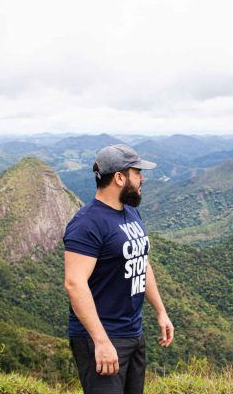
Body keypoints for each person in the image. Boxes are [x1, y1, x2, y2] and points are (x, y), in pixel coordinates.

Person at [63, 144, 174, 394]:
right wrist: (101, 341)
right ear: (119, 178)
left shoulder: (132, 213)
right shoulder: (87, 223)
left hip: (133, 333)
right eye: (137, 173)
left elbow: (142, 263)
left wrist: (160, 312)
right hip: (102, 337)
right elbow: (74, 283)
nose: (142, 178)